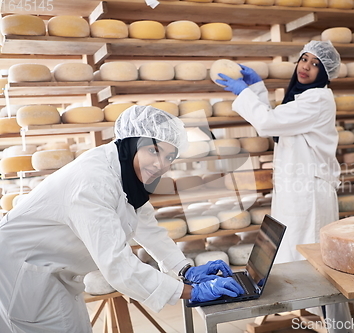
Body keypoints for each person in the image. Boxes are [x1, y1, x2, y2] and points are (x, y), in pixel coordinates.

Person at [0, 105, 244, 333]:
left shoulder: (126, 173)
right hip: (23, 272)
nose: (161, 164)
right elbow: (117, 264)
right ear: (133, 142)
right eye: (153, 150)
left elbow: (148, 229)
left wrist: (184, 269)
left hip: (53, 271)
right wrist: (191, 292)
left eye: (170, 157)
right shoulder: (93, 181)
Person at [217, 40, 354, 333]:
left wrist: (244, 93)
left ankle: (336, 326)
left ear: (325, 72)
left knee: (315, 261)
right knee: (294, 255)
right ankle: (305, 309)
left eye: (315, 63)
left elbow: (268, 123)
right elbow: (278, 121)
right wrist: (256, 90)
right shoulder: (302, 99)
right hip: (296, 190)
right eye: (304, 59)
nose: (306, 67)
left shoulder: (318, 100)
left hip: (310, 193)